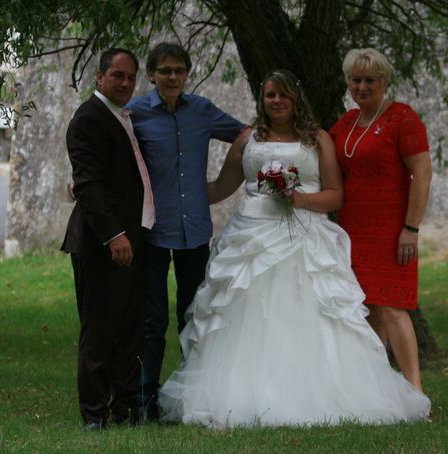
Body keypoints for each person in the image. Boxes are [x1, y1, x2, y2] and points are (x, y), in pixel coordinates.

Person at [158, 69, 431, 427]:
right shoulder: (246, 138)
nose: (277, 101)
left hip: (304, 235)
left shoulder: (318, 139)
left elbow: (336, 194)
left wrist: (298, 197)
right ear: (262, 98)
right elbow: (222, 187)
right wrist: (172, 195)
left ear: (295, 98)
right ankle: (245, 393)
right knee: (249, 315)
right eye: (270, 95)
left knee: (307, 313)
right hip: (251, 237)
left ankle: (323, 393)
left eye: (284, 94)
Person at [126, 42, 244, 420]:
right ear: (152, 75)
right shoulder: (136, 114)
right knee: (152, 318)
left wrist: (227, 183)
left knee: (194, 314)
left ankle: (191, 393)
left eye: (179, 70)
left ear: (187, 73)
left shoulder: (203, 112)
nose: (172, 77)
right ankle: (147, 398)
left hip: (195, 229)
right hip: (153, 231)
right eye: (165, 71)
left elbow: (245, 137)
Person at [329, 48, 433, 394]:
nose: (361, 87)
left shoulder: (401, 118)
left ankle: (415, 389)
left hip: (392, 230)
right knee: (368, 308)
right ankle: (377, 391)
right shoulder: (346, 123)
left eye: (369, 80)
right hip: (352, 229)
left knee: (392, 307)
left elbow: (423, 173)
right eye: (355, 80)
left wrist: (411, 228)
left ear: (384, 81)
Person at [61, 48, 155, 431]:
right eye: (118, 75)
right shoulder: (88, 119)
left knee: (129, 328)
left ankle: (126, 407)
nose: (126, 83)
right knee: (99, 331)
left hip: (134, 239)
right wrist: (115, 235)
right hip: (104, 243)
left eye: (131, 77)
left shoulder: (121, 117)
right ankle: (94, 414)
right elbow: (88, 185)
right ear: (100, 78)